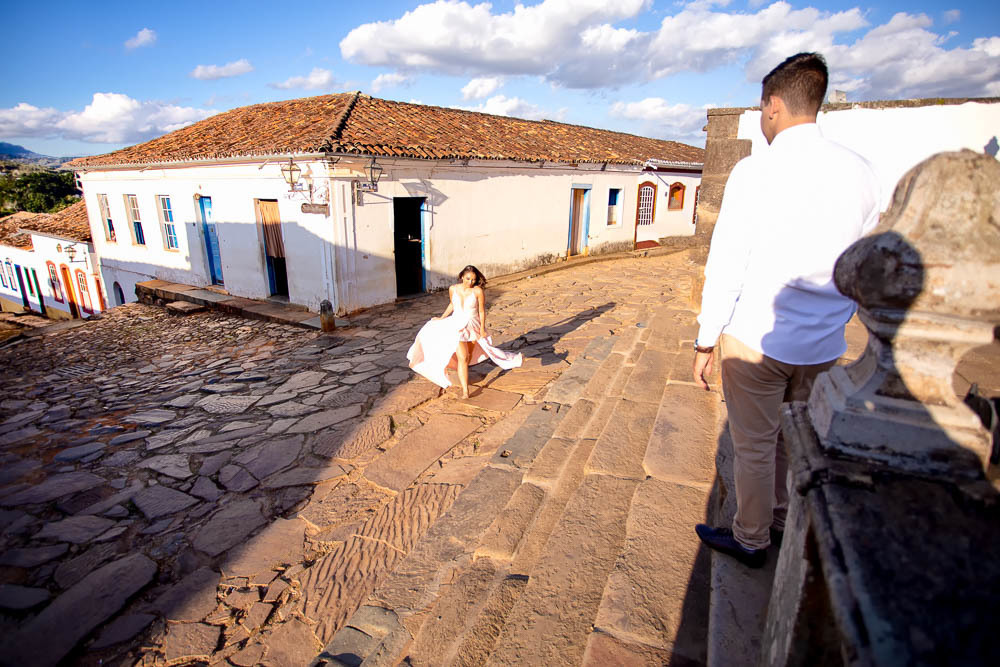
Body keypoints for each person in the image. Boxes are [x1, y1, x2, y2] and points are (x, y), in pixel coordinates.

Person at [692, 53, 880, 568]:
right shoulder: (862, 173)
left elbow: (727, 261)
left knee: (753, 444)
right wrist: (838, 321)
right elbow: (861, 264)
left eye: (761, 108)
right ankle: (777, 517)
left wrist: (706, 339)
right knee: (790, 436)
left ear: (773, 105)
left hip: (758, 339)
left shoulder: (755, 172)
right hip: (823, 344)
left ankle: (751, 538)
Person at [407, 265, 522, 398]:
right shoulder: (453, 289)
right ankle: (465, 391)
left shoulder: (477, 291)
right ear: (462, 276)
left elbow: (481, 311)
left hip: (472, 325)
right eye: (468, 279)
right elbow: (452, 304)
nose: (470, 282)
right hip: (456, 325)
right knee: (463, 357)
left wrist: (482, 329)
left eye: (473, 280)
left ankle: (463, 371)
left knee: (468, 356)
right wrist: (442, 317)